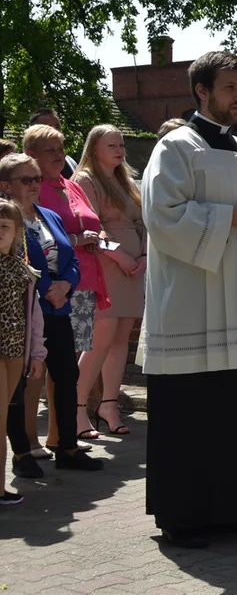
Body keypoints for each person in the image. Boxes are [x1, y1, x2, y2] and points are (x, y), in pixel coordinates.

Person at [139, 51, 237, 548]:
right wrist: (227, 218)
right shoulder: (174, 149)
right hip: (192, 298)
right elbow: (162, 216)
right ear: (201, 91)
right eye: (229, 88)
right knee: (192, 409)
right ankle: (183, 518)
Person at [0, 153, 101, 473]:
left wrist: (67, 286)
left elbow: (70, 258)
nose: (34, 185)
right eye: (26, 180)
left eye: (37, 179)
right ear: (5, 186)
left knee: (67, 375)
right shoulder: (6, 220)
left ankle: (67, 448)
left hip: (58, 310)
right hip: (24, 312)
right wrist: (46, 288)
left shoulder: (48, 217)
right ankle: (21, 454)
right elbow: (14, 259)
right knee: (19, 382)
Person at [24, 124, 109, 443]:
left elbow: (91, 221)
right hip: (49, 289)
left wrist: (96, 236)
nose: (60, 155)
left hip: (82, 281)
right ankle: (35, 437)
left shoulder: (70, 185)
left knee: (71, 364)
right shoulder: (33, 189)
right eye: (51, 150)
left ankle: (64, 434)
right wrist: (77, 238)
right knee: (42, 362)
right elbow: (38, 239)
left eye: (61, 149)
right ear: (31, 155)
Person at [71, 125, 146, 437]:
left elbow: (142, 221)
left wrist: (142, 256)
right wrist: (121, 256)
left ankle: (109, 404)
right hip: (103, 264)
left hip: (133, 269)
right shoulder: (85, 180)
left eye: (121, 144)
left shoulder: (126, 180)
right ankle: (74, 409)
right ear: (94, 148)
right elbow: (91, 225)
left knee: (120, 338)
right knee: (99, 339)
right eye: (111, 144)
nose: (119, 149)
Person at [0, 199, 47, 504]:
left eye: (4, 227)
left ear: (16, 231)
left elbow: (33, 315)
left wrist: (38, 353)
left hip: (15, 350)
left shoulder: (22, 268)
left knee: (3, 415)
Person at [28, 109, 79, 178]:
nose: (54, 130)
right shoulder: (26, 175)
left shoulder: (71, 162)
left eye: (57, 126)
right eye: (48, 127)